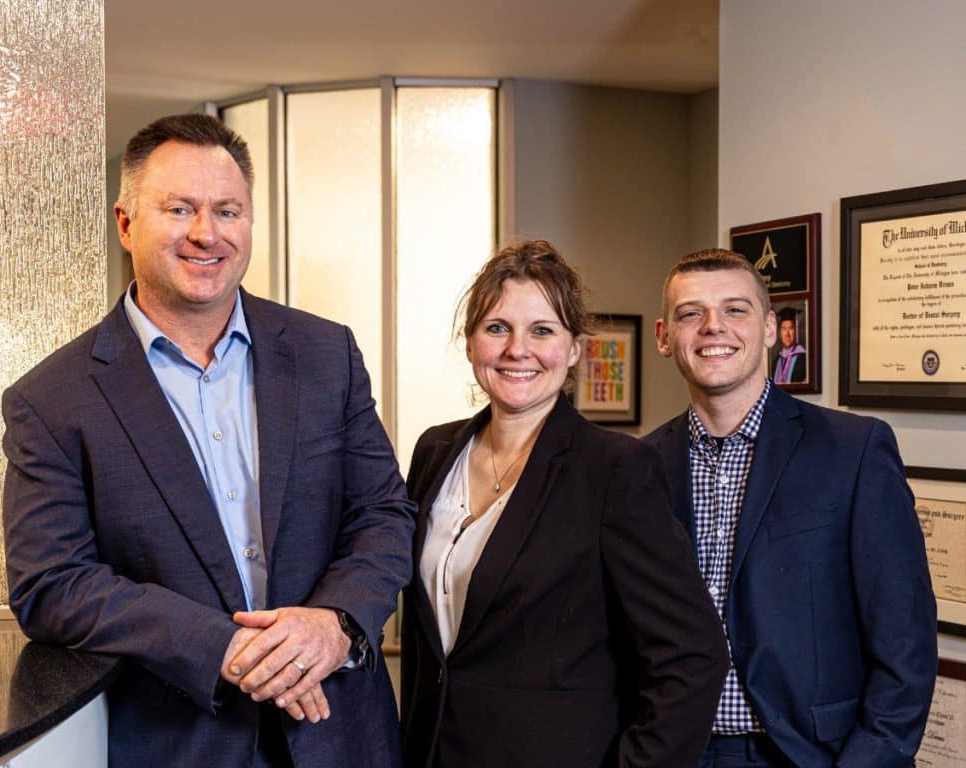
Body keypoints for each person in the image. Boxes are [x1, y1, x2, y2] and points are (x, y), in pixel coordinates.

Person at [1, 114, 416, 768]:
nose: (207, 233)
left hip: (340, 733)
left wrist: (335, 622)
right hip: (181, 740)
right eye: (179, 209)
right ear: (125, 223)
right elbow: (51, 584)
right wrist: (218, 645)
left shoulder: (326, 353)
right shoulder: (52, 399)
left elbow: (383, 513)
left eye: (228, 211)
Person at [400, 240, 729, 768]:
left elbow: (693, 657)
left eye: (542, 331)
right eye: (497, 328)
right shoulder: (435, 451)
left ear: (574, 348)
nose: (517, 350)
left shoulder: (615, 469)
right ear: (470, 343)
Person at [646, 248, 937, 768]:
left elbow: (905, 641)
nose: (713, 326)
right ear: (665, 337)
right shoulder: (638, 466)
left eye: (735, 309)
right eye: (691, 313)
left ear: (769, 329)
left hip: (808, 756)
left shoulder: (853, 451)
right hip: (675, 753)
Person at [771, 306, 806, 384]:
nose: (787, 334)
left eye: (790, 328)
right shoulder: (775, 362)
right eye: (784, 328)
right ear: (780, 333)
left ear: (796, 331)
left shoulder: (804, 360)